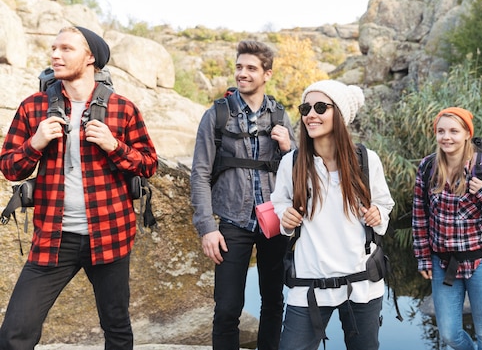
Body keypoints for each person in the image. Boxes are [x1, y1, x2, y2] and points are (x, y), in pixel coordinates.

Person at [0, 26, 158, 350]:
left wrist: (115, 146)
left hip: (110, 235)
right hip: (54, 238)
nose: (55, 55)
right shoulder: (33, 107)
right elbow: (9, 168)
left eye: (66, 49)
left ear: (90, 58)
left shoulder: (122, 109)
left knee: (116, 328)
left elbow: (149, 165)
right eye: (54, 48)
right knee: (14, 332)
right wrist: (35, 143)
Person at [271, 80, 395, 350]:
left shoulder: (366, 160)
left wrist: (377, 214)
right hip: (308, 284)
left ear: (338, 114)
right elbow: (279, 204)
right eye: (305, 108)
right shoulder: (291, 163)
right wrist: (286, 218)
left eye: (320, 107)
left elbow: (385, 204)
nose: (310, 115)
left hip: (361, 283)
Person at [191, 40, 296, 350]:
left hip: (274, 221)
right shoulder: (217, 115)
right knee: (226, 309)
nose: (243, 74)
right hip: (231, 224)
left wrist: (289, 147)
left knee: (274, 302)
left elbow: (300, 171)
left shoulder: (279, 115)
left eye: (251, 68)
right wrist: (207, 228)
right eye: (239, 67)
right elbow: (199, 173)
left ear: (267, 74)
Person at [412, 107, 482, 350]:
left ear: (467, 134)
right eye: (441, 131)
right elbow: (420, 216)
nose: (446, 137)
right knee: (449, 333)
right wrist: (423, 258)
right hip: (443, 263)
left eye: (453, 131)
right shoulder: (428, 167)